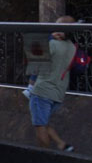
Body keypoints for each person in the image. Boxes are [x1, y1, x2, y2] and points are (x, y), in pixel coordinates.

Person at [25, 15, 77, 152]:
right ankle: (61, 143)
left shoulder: (52, 44)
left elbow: (34, 51)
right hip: (58, 94)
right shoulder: (72, 47)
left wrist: (49, 37)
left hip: (41, 91)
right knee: (43, 120)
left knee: (40, 126)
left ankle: (45, 156)